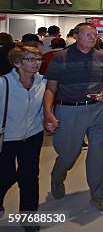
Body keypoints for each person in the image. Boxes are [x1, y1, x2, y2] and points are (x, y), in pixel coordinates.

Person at [43, 23, 103, 211]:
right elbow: (51, 88)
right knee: (69, 154)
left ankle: (98, 194)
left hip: (98, 109)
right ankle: (57, 178)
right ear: (76, 36)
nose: (93, 37)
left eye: (95, 34)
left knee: (98, 152)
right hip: (69, 110)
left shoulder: (101, 56)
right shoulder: (61, 57)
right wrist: (48, 113)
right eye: (88, 34)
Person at [0, 45, 46, 232]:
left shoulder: (43, 82)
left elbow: (44, 106)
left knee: (29, 177)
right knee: (5, 176)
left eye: (38, 59)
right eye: (31, 60)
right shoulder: (4, 83)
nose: (37, 63)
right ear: (17, 63)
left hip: (33, 136)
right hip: (7, 138)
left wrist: (47, 120)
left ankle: (28, 218)